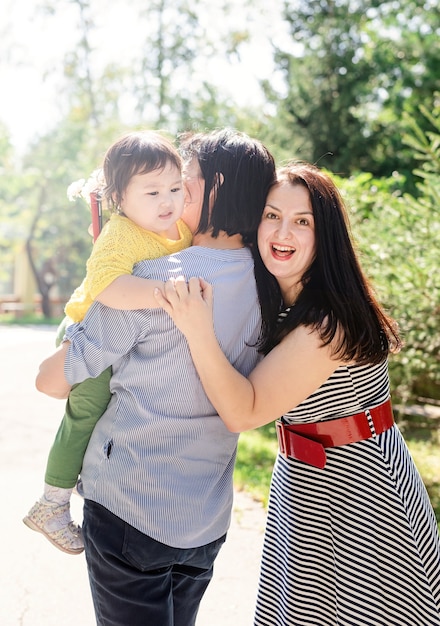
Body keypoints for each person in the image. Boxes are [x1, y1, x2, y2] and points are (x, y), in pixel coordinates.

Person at [155, 162, 440, 626]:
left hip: (362, 493)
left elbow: (243, 412)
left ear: (324, 233)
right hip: (304, 480)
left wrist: (196, 328)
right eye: (272, 215)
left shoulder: (327, 323)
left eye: (302, 221)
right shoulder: (281, 301)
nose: (283, 231)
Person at [35, 128, 276, 626]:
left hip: (131, 504)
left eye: (183, 181)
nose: (172, 195)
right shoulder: (270, 286)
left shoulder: (158, 278)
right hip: (206, 516)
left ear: (213, 187)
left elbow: (51, 381)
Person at [24, 129, 191, 555]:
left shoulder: (178, 228)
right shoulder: (121, 234)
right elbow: (106, 286)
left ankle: (88, 477)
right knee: (86, 413)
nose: (167, 200)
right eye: (152, 191)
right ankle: (52, 502)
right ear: (120, 197)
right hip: (85, 329)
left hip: (116, 338)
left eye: (175, 187)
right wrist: (167, 294)